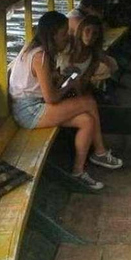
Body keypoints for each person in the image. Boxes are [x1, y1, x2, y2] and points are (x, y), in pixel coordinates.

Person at [10, 11, 123, 190]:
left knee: (87, 120)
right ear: (53, 34)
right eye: (64, 33)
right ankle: (100, 152)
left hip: (34, 105)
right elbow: (52, 98)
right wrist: (70, 84)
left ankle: (78, 172)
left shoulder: (36, 50)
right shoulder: (41, 57)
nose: (66, 37)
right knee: (88, 102)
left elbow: (45, 86)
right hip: (29, 110)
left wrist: (61, 77)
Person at [58, 15, 118, 89]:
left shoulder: (93, 57)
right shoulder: (67, 44)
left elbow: (83, 83)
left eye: (95, 33)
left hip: (71, 90)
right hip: (55, 86)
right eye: (87, 30)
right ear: (81, 30)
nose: (90, 36)